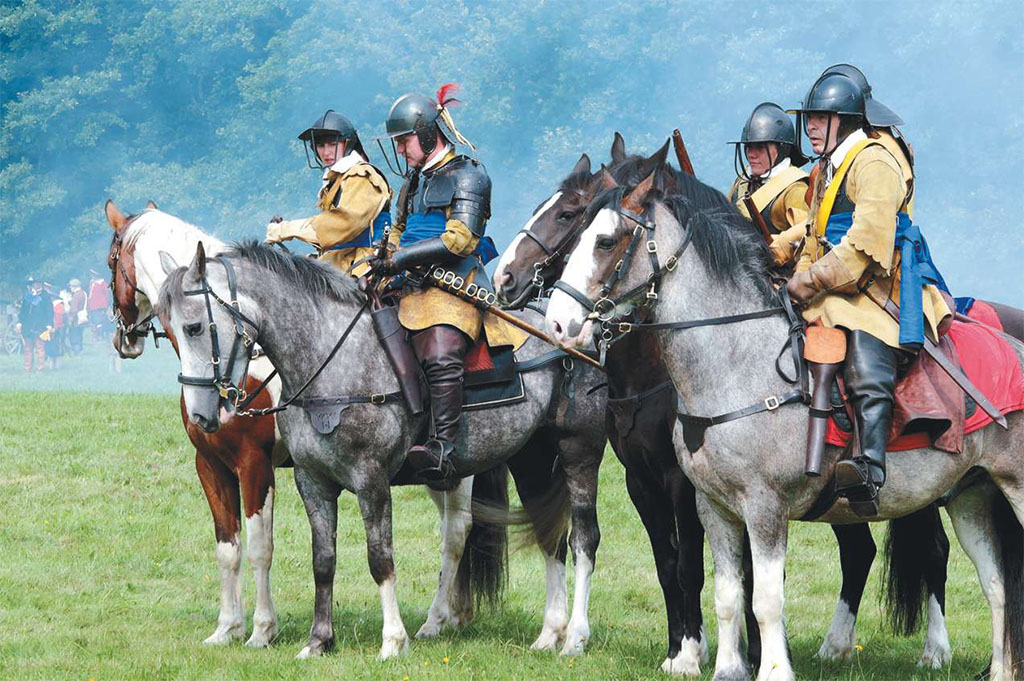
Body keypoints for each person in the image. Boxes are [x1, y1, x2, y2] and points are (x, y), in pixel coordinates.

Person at [786, 69, 951, 515]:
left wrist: (810, 281)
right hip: (839, 280)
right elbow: (815, 239)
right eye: (810, 118)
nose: (811, 127)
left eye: (822, 117)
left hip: (883, 284)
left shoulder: (875, 161)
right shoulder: (827, 168)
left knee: (860, 339)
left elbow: (864, 248)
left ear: (847, 120)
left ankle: (870, 466)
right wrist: (796, 279)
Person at [370, 86, 519, 479]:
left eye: (404, 142)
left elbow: (460, 239)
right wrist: (382, 261)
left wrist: (399, 259)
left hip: (455, 284)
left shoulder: (468, 176)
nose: (400, 151)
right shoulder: (412, 184)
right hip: (408, 284)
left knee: (440, 354)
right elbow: (399, 232)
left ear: (425, 134)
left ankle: (443, 446)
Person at [265, 110, 392, 277]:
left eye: (333, 144)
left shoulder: (360, 175)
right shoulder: (336, 179)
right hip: (340, 258)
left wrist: (286, 229)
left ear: (347, 143)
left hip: (365, 261)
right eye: (321, 146)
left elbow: (342, 224)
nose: (326, 152)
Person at [726, 102, 810, 265]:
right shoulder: (742, 182)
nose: (751, 154)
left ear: (782, 148)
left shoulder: (795, 189)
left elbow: (806, 241)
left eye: (760, 147)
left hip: (778, 277)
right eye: (749, 147)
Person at [17, 276, 51, 373]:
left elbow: (49, 311)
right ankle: (28, 369)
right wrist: (19, 322)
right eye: (34, 284)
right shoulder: (28, 295)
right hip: (28, 326)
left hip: (40, 326)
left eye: (37, 283)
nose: (35, 285)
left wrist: (49, 324)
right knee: (28, 349)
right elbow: (23, 311)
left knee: (40, 349)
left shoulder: (45, 296)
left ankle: (40, 370)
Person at [87, 269, 110, 340]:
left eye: (93, 274)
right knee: (94, 321)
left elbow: (107, 294)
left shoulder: (102, 282)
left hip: (100, 305)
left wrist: (106, 304)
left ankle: (100, 335)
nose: (92, 276)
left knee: (99, 321)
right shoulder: (92, 282)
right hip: (92, 305)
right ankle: (97, 335)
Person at [68, 278, 87, 353]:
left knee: (74, 334)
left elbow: (74, 309)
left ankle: (76, 350)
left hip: (76, 318)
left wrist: (71, 318)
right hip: (81, 317)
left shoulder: (76, 295)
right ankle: (80, 349)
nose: (70, 288)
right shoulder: (83, 293)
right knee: (79, 334)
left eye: (71, 286)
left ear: (74, 286)